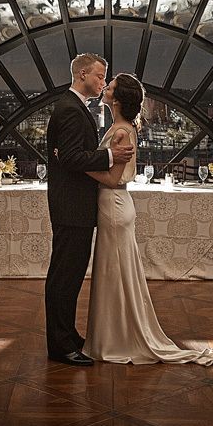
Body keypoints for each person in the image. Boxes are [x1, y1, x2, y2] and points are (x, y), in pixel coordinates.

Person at [83, 73, 213, 366]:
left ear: (117, 99)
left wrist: (81, 167)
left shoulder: (120, 132)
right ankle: (116, 336)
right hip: (118, 206)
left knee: (113, 274)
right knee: (117, 274)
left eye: (110, 87)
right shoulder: (124, 127)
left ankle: (114, 340)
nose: (105, 88)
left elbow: (113, 178)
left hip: (114, 204)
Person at [44, 53, 134, 366]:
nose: (102, 83)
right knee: (65, 278)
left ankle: (66, 337)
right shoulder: (70, 109)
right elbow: (69, 158)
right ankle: (60, 345)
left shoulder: (71, 107)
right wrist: (111, 157)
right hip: (72, 207)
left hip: (73, 205)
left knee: (67, 276)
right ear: (83, 74)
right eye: (99, 77)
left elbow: (68, 155)